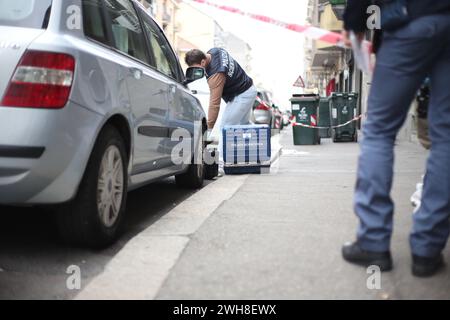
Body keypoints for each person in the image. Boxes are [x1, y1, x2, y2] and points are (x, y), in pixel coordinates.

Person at [341, 0, 450, 277]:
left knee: (378, 131)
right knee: (447, 137)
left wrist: (354, 21)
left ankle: (373, 241)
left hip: (409, 18)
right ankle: (427, 249)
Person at [184, 48, 257, 174]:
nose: (197, 71)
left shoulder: (216, 75)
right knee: (243, 126)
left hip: (242, 95)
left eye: (197, 68)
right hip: (248, 89)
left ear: (202, 62)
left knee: (226, 127)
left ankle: (223, 164)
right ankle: (259, 147)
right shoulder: (214, 51)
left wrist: (208, 129)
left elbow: (214, 105)